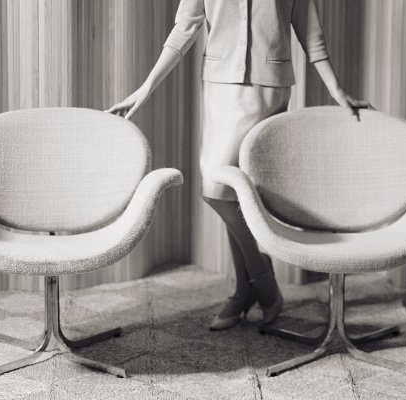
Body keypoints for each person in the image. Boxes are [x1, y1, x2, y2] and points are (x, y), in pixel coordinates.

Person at [106, 0, 368, 330]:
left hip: (267, 89)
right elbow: (184, 28)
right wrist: (145, 89)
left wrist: (337, 91)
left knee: (234, 191)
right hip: (220, 88)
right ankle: (256, 280)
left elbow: (310, 31)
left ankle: (249, 286)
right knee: (220, 189)